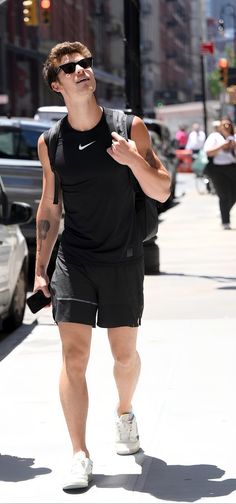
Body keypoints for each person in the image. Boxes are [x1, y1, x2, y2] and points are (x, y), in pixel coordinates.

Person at [34, 41, 171, 491]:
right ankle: (79, 453)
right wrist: (40, 270)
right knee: (74, 356)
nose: (82, 71)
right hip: (75, 259)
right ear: (57, 83)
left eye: (86, 64)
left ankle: (124, 412)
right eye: (70, 68)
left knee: (124, 356)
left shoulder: (127, 127)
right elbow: (50, 209)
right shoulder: (51, 141)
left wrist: (133, 158)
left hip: (123, 257)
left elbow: (161, 190)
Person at [203, 118, 236, 229]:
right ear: (220, 126)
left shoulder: (234, 137)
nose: (226, 127)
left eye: (229, 124)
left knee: (233, 194)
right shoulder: (214, 137)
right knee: (223, 195)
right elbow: (208, 152)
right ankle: (225, 221)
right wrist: (222, 146)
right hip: (217, 169)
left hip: (232, 167)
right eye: (224, 125)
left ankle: (225, 210)